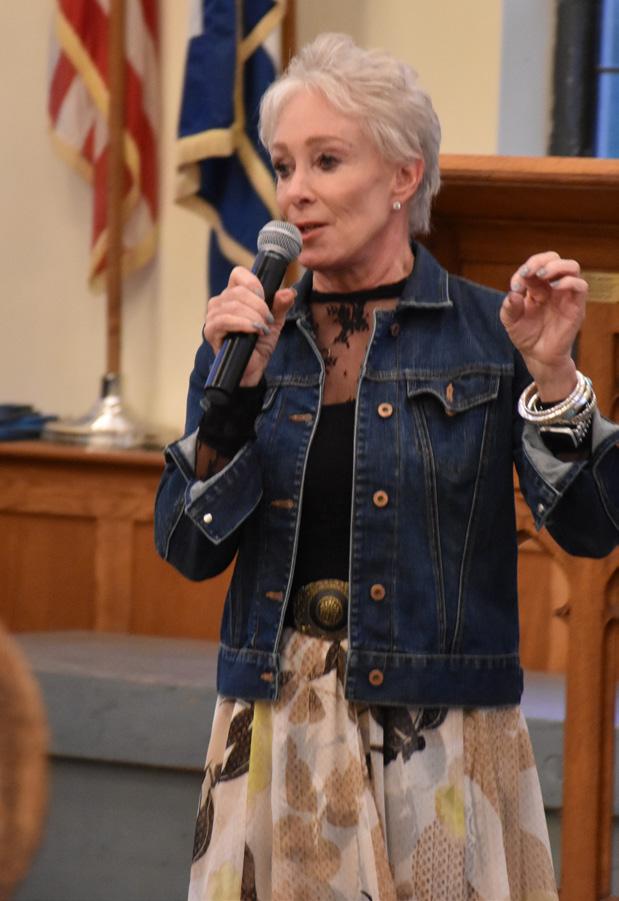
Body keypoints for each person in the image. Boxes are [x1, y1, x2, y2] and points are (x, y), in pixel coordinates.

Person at [155, 32, 619, 901]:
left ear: (404, 175)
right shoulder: (249, 344)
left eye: (326, 160)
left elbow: (593, 527)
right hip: (276, 725)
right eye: (284, 164)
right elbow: (186, 547)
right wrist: (230, 399)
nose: (295, 189)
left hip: (438, 741)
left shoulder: (488, 333)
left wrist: (554, 376)